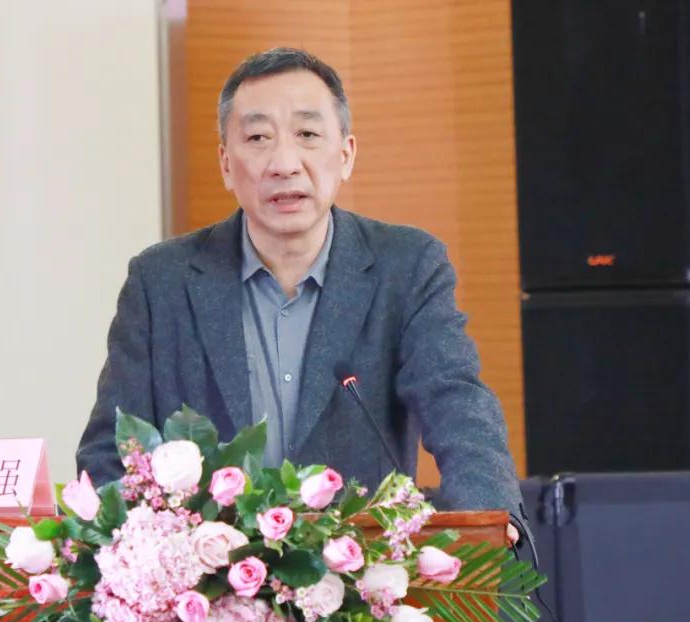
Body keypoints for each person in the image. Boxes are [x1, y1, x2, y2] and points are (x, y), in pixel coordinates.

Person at [77, 47, 525, 544]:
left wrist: (489, 526)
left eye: (308, 135)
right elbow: (111, 455)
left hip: (364, 574)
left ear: (346, 154)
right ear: (226, 164)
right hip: (206, 579)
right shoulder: (160, 281)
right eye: (258, 138)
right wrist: (136, 560)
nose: (284, 163)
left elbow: (458, 408)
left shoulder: (407, 266)